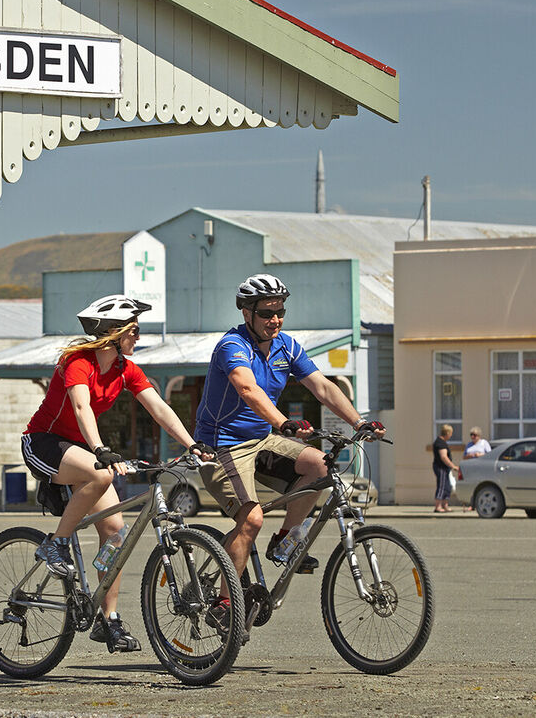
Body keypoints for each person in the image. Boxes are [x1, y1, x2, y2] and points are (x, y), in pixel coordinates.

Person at [20, 294, 215, 654]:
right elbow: (80, 406)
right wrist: (99, 451)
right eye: (135, 331)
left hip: (82, 450)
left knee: (115, 535)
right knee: (102, 476)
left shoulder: (125, 369)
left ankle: (107, 619)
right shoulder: (77, 362)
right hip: (44, 442)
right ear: (114, 332)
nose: (138, 338)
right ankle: (55, 545)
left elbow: (159, 408)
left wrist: (191, 444)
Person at [194, 274, 384, 623]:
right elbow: (248, 390)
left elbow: (322, 387)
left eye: (280, 311)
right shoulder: (232, 346)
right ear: (247, 313)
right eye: (267, 313)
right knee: (250, 519)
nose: (275, 320)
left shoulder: (287, 346)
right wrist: (284, 422)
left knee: (320, 466)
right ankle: (223, 603)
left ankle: (285, 540)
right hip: (222, 445)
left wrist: (359, 422)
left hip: (262, 440)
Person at [432, 424, 459, 513]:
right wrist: (453, 466)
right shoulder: (440, 443)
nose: (451, 435)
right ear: (447, 433)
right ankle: (438, 506)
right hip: (441, 468)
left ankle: (445, 505)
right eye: (450, 433)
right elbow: (443, 457)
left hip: (445, 468)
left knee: (447, 486)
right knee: (442, 486)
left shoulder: (442, 442)